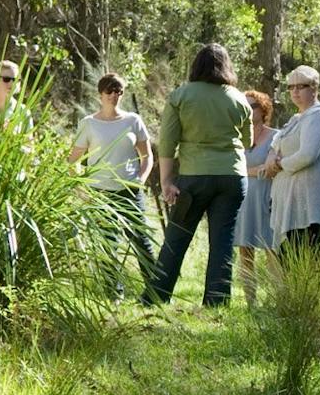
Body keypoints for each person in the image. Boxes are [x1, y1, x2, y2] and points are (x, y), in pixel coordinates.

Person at [145, 44, 250, 307]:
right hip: (232, 176)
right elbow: (247, 143)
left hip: (194, 177)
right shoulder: (239, 99)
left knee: (177, 237)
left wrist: (167, 181)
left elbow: (167, 143)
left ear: (196, 66)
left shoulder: (181, 96)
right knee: (222, 240)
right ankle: (217, 301)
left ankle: (157, 296)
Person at [68, 72, 158, 290]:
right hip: (100, 193)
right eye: (109, 90)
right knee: (107, 244)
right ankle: (114, 292)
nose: (113, 95)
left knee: (141, 240)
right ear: (100, 93)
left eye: (118, 91)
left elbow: (147, 156)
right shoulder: (88, 124)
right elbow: (72, 161)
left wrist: (140, 179)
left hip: (129, 190)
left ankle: (157, 291)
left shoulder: (133, 120)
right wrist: (82, 189)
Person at [260, 65, 320, 257]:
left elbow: (307, 155)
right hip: (291, 201)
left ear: (314, 88)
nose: (295, 91)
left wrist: (279, 164)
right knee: (290, 259)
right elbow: (277, 140)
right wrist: (271, 154)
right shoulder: (298, 118)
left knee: (304, 261)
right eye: (291, 87)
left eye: (300, 86)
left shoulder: (318, 116)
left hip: (308, 202)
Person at [233, 89, 278, 305]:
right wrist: (254, 170)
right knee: (245, 252)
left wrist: (245, 170)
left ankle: (276, 299)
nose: (248, 110)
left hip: (265, 198)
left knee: (272, 250)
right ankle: (250, 302)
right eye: (245, 106)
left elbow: (271, 169)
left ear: (263, 109)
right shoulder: (235, 135)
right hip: (241, 199)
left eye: (253, 106)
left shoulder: (275, 136)